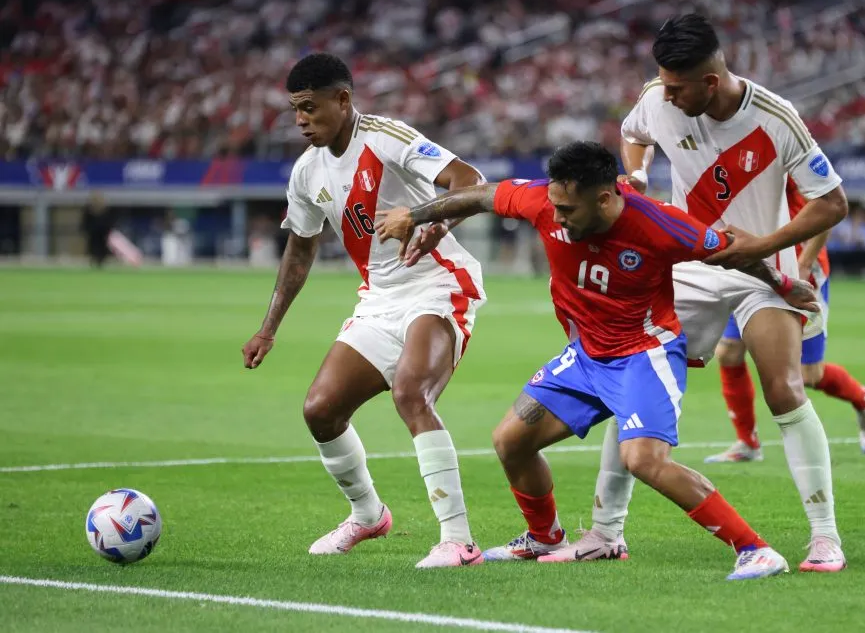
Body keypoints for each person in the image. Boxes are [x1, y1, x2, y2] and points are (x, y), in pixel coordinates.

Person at [376, 140, 820, 580]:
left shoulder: (660, 223)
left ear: (605, 199)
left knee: (644, 460)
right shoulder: (541, 201)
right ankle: (545, 537)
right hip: (586, 357)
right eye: (555, 205)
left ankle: (756, 549)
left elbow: (731, 250)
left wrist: (783, 284)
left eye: (568, 210)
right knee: (510, 441)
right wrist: (416, 216)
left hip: (644, 356)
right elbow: (479, 195)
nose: (557, 218)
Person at [562, 14, 851, 572]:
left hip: (763, 269)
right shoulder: (658, 98)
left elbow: (832, 202)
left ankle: (824, 537)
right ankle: (604, 532)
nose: (665, 94)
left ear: (711, 82)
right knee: (634, 376)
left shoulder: (776, 119)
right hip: (689, 264)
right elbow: (633, 134)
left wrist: (762, 245)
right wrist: (637, 175)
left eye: (677, 87)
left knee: (785, 389)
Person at [241, 53, 489, 569]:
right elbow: (300, 250)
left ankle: (459, 541)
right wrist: (268, 328)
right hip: (380, 299)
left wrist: (430, 223)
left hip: (438, 283)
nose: (300, 120)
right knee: (320, 410)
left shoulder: (385, 137)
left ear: (343, 99)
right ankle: (368, 514)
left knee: (411, 393)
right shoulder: (307, 172)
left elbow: (470, 179)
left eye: (309, 108)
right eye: (295, 110)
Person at [704, 178, 865, 464]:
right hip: (753, 265)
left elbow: (828, 206)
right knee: (729, 352)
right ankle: (747, 442)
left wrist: (805, 262)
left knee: (808, 375)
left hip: (800, 269)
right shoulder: (734, 160)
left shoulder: (788, 160)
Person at [81, 192, 114, 267]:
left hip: (102, 234)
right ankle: (94, 261)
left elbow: (109, 222)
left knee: (102, 248)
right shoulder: (89, 210)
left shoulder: (106, 210)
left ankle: (101, 261)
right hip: (93, 233)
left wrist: (108, 231)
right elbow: (86, 222)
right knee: (93, 248)